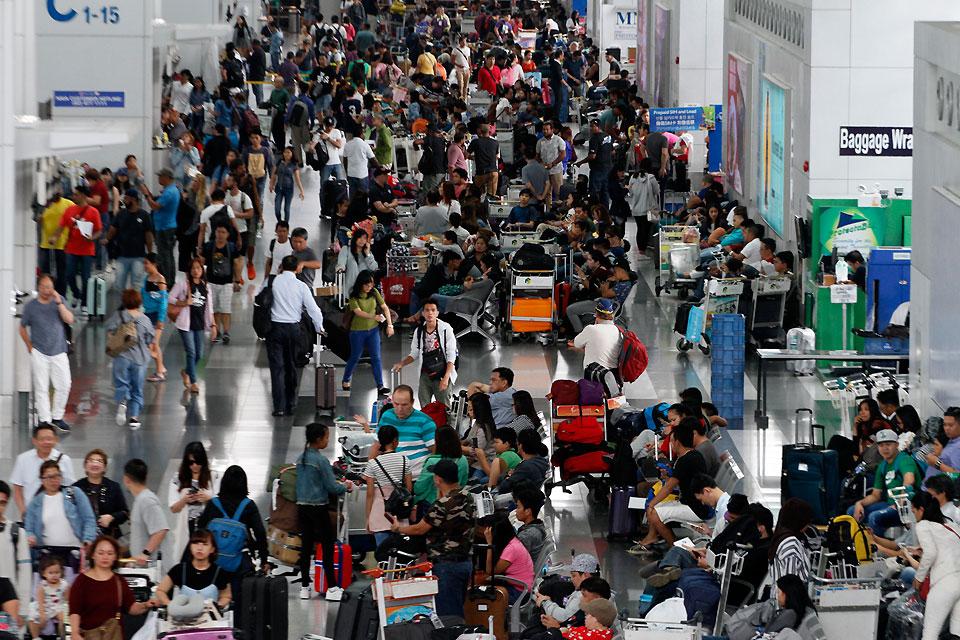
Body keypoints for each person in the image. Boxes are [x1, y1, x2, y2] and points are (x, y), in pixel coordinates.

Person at [387, 458, 475, 616]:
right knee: (458, 609)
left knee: (448, 616)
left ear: (438, 479)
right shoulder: (468, 497)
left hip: (446, 565)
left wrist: (398, 528)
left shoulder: (441, 504)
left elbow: (420, 529)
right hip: (466, 563)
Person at [295, 422, 353, 600]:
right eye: (327, 437)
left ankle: (305, 586)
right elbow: (331, 486)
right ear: (319, 439)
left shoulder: (301, 458)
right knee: (327, 546)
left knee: (306, 547)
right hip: (318, 508)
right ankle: (333, 587)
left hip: (302, 508)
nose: (328, 440)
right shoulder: (321, 461)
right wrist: (346, 487)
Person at [635, 419, 710, 550]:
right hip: (697, 504)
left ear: (677, 442)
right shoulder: (693, 455)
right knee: (656, 506)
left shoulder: (685, 460)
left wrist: (651, 504)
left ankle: (674, 547)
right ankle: (652, 536)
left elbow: (669, 488)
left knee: (654, 512)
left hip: (694, 508)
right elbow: (679, 480)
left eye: (671, 440)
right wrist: (668, 476)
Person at [266, 255, 325, 416]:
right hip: (293, 329)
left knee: (277, 368)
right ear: (297, 269)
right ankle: (290, 404)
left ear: (281, 267)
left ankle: (278, 407)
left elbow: (261, 299)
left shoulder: (273, 282)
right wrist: (318, 326)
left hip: (275, 328)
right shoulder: (301, 286)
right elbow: (313, 309)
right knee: (291, 365)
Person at [68, 535, 156, 639]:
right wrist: (74, 632)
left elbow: (131, 608)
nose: (105, 557)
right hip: (88, 636)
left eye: (110, 553)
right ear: (92, 555)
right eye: (101, 553)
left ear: (115, 557)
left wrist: (146, 605)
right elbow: (74, 611)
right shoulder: (81, 581)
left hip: (113, 634)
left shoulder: (119, 581)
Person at [23, 460, 96, 580]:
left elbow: (89, 518)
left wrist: (88, 539)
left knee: (72, 589)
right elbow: (28, 527)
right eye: (49, 477)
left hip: (74, 552)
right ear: (42, 479)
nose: (54, 480)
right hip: (48, 553)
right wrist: (30, 537)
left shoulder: (74, 493)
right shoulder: (36, 502)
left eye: (57, 476)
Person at [19, 274, 75, 432]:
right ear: (38, 287)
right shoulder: (31, 307)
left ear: (53, 287)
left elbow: (69, 319)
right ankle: (44, 420)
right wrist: (29, 346)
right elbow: (22, 327)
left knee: (64, 384)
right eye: (43, 287)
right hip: (39, 352)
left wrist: (59, 303)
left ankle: (57, 417)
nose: (46, 290)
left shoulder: (59, 301)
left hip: (59, 350)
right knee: (41, 387)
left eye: (49, 287)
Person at [902, 492, 960, 640]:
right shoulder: (951, 526)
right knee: (956, 634)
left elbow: (932, 553)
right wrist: (920, 552)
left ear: (921, 509)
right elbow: (947, 549)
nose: (914, 516)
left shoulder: (923, 525)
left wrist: (919, 578)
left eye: (914, 511)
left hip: (945, 583)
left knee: (930, 634)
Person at [849, 428, 919, 535]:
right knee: (852, 511)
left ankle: (881, 549)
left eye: (888, 444)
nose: (885, 448)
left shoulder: (904, 460)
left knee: (875, 517)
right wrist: (860, 503)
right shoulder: (882, 466)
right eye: (881, 445)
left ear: (896, 445)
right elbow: (875, 495)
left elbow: (909, 481)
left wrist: (899, 504)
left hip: (907, 508)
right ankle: (860, 546)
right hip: (889, 505)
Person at [355, 385, 438, 474]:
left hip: (417, 477)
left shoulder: (425, 422)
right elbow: (377, 445)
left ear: (412, 402)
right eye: (396, 404)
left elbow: (435, 451)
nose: (400, 409)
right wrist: (368, 473)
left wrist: (426, 475)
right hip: (391, 476)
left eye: (404, 405)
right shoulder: (387, 416)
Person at [392, 300, 458, 407]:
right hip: (425, 373)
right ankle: (427, 424)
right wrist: (402, 363)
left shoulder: (446, 329)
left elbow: (451, 354)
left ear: (437, 313)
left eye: (433, 310)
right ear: (423, 313)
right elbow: (414, 353)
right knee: (424, 406)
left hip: (442, 373)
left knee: (444, 407)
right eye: (427, 310)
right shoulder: (419, 331)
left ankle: (445, 424)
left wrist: (446, 377)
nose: (430, 313)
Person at [105, 289, 155, 428]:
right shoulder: (145, 319)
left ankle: (122, 402)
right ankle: (134, 417)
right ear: (139, 302)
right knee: (137, 389)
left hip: (122, 356)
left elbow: (109, 330)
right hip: (140, 359)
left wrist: (116, 339)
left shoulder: (118, 316)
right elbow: (150, 338)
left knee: (121, 383)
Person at [168, 258, 216, 393]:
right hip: (185, 324)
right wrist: (183, 303)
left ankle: (186, 371)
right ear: (189, 271)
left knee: (199, 355)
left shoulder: (206, 286)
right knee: (191, 352)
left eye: (198, 268)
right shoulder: (183, 284)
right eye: (193, 268)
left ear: (202, 270)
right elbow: (169, 297)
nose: (196, 271)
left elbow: (209, 308)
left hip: (200, 324)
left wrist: (213, 325)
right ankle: (194, 382)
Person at [343, 270, 394, 392]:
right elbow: (358, 312)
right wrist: (374, 317)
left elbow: (385, 308)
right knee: (355, 356)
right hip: (357, 331)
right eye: (367, 285)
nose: (369, 287)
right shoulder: (353, 296)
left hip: (373, 330)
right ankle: (346, 379)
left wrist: (390, 325)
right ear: (361, 283)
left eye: (371, 285)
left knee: (376, 357)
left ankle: (380, 385)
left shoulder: (374, 292)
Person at [10, 424, 77, 517]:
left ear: (56, 440)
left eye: (49, 438)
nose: (46, 442)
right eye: (42, 439)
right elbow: (17, 489)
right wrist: (23, 512)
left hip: (57, 514)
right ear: (34, 441)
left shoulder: (64, 460)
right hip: (31, 513)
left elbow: (69, 488)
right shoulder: (23, 459)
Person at [155, 529, 232, 610]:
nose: (199, 548)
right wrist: (170, 605)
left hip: (210, 619)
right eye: (195, 543)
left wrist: (219, 605)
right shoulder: (179, 569)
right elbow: (160, 590)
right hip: (182, 617)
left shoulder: (220, 572)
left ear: (212, 549)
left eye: (205, 544)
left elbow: (226, 596)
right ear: (190, 547)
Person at [363, 425, 413, 546]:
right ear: (395, 441)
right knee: (400, 554)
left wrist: (368, 518)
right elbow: (409, 489)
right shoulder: (405, 460)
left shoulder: (373, 463)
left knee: (383, 554)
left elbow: (370, 494)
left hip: (379, 512)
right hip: (399, 512)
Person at [168, 442, 219, 559]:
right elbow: (173, 508)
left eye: (198, 462)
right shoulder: (178, 478)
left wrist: (208, 498)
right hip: (186, 526)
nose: (194, 465)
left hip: (208, 526)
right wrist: (184, 500)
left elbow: (221, 504)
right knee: (186, 559)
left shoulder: (213, 477)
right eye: (191, 462)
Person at [58, 186, 103, 311]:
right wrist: (55, 237)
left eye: (76, 194)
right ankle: (76, 294)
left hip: (87, 250)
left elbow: (99, 230)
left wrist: (92, 238)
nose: (73, 197)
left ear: (83, 195)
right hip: (71, 248)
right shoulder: (70, 210)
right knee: (69, 275)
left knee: (85, 277)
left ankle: (84, 302)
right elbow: (61, 226)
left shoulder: (93, 212)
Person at [567, 299, 622, 395]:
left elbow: (577, 343)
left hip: (594, 375)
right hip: (613, 376)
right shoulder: (618, 331)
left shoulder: (591, 329)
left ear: (596, 314)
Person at [123, 459, 170, 566]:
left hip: (152, 567)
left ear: (126, 479)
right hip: (142, 566)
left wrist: (145, 553)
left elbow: (161, 530)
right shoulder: (140, 500)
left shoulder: (147, 500)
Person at [72, 450, 127, 541]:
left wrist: (112, 517)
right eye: (91, 460)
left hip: (109, 538)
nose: (95, 464)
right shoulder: (76, 487)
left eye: (99, 461)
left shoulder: (113, 486)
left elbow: (124, 513)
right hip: (83, 538)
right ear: (85, 466)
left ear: (104, 468)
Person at [140, 168, 182, 286]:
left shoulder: (169, 192)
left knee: (164, 256)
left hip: (165, 228)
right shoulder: (172, 190)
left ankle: (167, 282)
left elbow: (155, 206)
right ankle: (170, 280)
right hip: (167, 226)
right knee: (168, 255)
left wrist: (146, 195)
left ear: (167, 177)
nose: (158, 178)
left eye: (160, 176)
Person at [202, 225, 242, 345]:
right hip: (211, 283)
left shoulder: (231, 247)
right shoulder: (209, 246)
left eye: (223, 232)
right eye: (218, 231)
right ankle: (217, 331)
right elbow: (203, 264)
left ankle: (226, 332)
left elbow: (237, 264)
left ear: (227, 234)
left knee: (225, 309)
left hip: (226, 283)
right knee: (214, 308)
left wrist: (237, 281)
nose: (220, 234)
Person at [536, 553, 601, 625]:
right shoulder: (598, 588)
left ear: (586, 575)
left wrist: (544, 602)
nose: (571, 579)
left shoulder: (584, 595)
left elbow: (565, 617)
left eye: (574, 576)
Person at [482, 515, 534, 604]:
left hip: (519, 593)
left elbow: (490, 572)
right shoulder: (513, 541)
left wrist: (489, 544)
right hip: (521, 587)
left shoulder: (511, 549)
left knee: (481, 596)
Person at [414, 427, 470, 507]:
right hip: (455, 502)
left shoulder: (433, 461)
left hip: (432, 503)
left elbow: (419, 488)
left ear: (438, 442)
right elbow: (463, 482)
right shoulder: (463, 460)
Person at [0, 481, 31, 623]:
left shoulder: (16, 532)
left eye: (2, 503)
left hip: (9, 603)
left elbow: (25, 572)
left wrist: (23, 610)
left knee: (6, 633)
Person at [769, 497, 814, 585]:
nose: (808, 525)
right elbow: (789, 584)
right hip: (789, 597)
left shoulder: (780, 537)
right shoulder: (791, 544)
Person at [142, 253, 169, 382]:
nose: (145, 266)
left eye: (147, 263)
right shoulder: (147, 278)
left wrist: (161, 319)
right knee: (150, 343)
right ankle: (161, 367)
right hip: (147, 314)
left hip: (157, 315)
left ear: (154, 264)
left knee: (154, 343)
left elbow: (164, 301)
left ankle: (159, 372)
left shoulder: (160, 280)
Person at [462, 393, 497, 479]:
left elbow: (475, 451)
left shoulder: (483, 428)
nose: (468, 412)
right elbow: (467, 440)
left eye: (470, 409)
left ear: (478, 409)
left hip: (483, 464)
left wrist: (457, 447)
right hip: (474, 462)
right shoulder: (477, 423)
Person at [336, 228, 378, 298]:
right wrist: (340, 268)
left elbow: (374, 267)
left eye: (364, 238)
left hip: (364, 291)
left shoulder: (368, 253)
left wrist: (367, 254)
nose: (362, 240)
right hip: (350, 289)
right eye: (359, 237)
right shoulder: (346, 249)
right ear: (355, 238)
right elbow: (341, 263)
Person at [270, 146, 305, 223]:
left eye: (288, 152)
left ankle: (285, 226)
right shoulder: (279, 162)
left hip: (289, 189)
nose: (286, 154)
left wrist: (301, 191)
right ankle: (280, 223)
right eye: (285, 152)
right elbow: (274, 174)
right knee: (277, 208)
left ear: (292, 154)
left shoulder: (294, 165)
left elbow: (297, 179)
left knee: (286, 209)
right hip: (279, 188)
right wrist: (271, 184)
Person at [924, 406, 960, 481]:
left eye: (950, 425)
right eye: (945, 424)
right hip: (928, 487)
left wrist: (937, 463)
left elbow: (957, 476)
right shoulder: (950, 439)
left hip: (938, 491)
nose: (946, 428)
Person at [514, 487, 548, 561]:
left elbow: (512, 559)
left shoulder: (526, 536)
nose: (516, 511)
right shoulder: (539, 526)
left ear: (527, 511)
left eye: (518, 507)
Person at [467, 123, 500, 197]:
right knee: (491, 196)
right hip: (493, 172)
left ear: (479, 131)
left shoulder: (475, 142)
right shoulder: (495, 142)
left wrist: (473, 158)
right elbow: (497, 156)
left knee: (476, 195)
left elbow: (466, 155)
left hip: (481, 172)